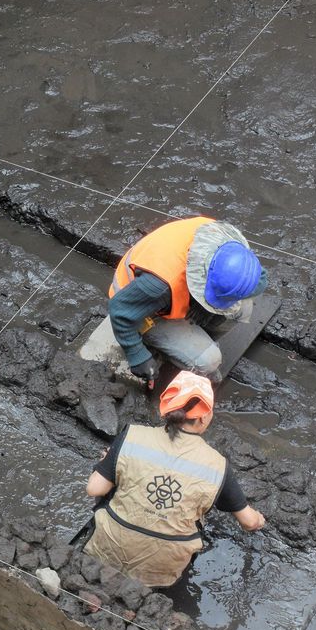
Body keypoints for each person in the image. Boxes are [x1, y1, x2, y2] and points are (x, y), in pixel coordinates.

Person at [83, 371, 265, 587]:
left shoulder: (132, 436)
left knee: (112, 481)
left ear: (166, 410)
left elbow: (94, 489)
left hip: (106, 552)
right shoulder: (217, 465)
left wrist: (110, 461)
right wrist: (259, 521)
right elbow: (249, 521)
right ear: (204, 416)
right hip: (160, 573)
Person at [108, 216, 266, 387]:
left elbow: (260, 279)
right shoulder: (160, 285)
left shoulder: (227, 242)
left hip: (173, 292)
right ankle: (164, 347)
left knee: (243, 306)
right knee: (209, 361)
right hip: (143, 306)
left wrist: (204, 305)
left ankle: (197, 339)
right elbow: (119, 308)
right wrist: (136, 354)